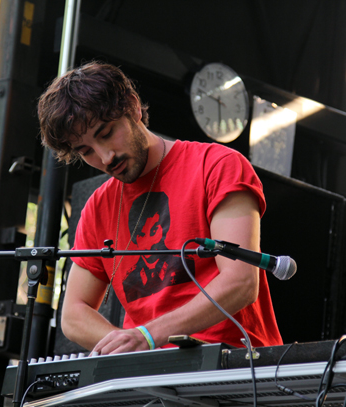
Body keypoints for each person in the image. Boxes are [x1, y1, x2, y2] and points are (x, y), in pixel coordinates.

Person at [38, 61, 282, 355]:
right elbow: (73, 316)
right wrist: (130, 347)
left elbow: (240, 282)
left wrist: (147, 337)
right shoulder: (98, 207)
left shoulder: (217, 165)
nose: (105, 157)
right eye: (86, 151)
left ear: (133, 107)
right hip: (151, 372)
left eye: (106, 133)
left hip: (235, 363)